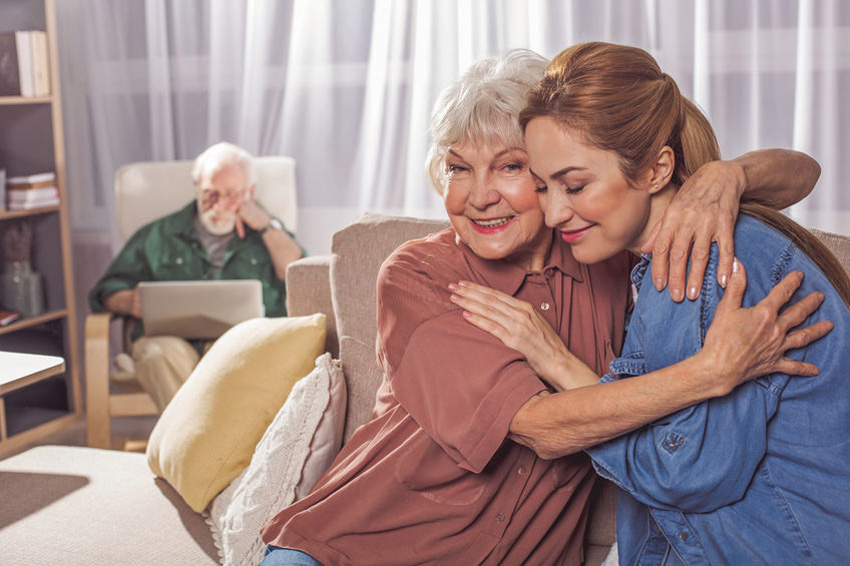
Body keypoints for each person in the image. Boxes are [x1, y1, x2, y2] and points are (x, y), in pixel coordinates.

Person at [259, 50, 827, 566]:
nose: (477, 195)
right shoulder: (420, 276)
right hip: (350, 552)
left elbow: (804, 172)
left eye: (509, 167)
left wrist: (727, 177)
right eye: (459, 167)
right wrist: (713, 371)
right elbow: (540, 430)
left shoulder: (602, 243)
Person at [452, 42, 849, 564]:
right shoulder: (677, 249)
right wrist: (561, 361)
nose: (552, 214)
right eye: (544, 187)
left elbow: (682, 475)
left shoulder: (693, 266)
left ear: (657, 170)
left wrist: (561, 367)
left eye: (575, 185)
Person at [89, 142, 304, 410]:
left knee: (238, 356)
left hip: (241, 341)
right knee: (157, 354)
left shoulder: (268, 233)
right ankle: (211, 446)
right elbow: (105, 290)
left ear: (250, 192)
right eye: (210, 194)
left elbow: (298, 273)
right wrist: (125, 301)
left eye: (232, 194)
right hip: (172, 343)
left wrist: (264, 225)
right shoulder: (160, 234)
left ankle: (194, 446)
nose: (221, 204)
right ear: (197, 187)